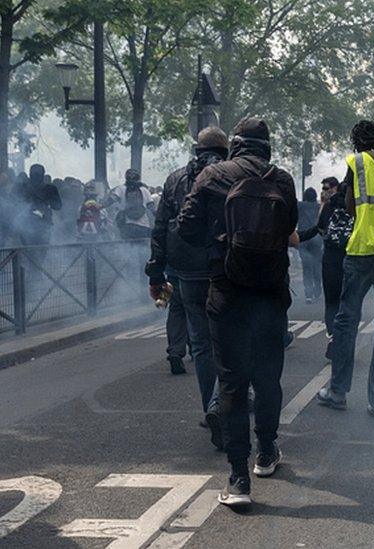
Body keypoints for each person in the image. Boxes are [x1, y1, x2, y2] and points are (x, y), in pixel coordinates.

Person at [178, 117, 298, 506]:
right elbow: (290, 228)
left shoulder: (212, 175)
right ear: (267, 147)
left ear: (235, 145)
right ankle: (266, 453)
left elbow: (187, 229)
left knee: (231, 383)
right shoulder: (282, 180)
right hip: (271, 293)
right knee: (268, 379)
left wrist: (222, 238)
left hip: (227, 292)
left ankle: (238, 479)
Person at [314, 120, 374, 422]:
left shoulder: (357, 162)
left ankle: (338, 392)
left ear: (358, 143)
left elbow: (350, 205)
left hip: (364, 251)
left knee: (346, 322)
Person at [147, 127, 229, 449]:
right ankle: (219, 403)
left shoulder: (175, 179)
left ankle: (210, 403)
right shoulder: (230, 173)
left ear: (197, 148)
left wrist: (156, 271)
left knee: (202, 344)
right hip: (223, 267)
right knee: (231, 338)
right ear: (225, 149)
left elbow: (160, 227)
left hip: (187, 271)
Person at [298, 177, 352, 334]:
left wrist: (298, 237)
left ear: (335, 189)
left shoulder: (328, 207)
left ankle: (333, 336)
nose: (324, 192)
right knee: (348, 302)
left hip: (331, 259)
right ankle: (346, 338)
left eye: (326, 188)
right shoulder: (356, 207)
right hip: (351, 258)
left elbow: (320, 229)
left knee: (332, 302)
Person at [14, 164, 62, 246]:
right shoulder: (50, 188)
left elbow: (57, 206)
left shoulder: (49, 188)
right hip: (31, 224)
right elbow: (57, 206)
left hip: (40, 224)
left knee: (29, 251)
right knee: (38, 251)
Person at [109, 169, 154, 240]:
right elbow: (151, 207)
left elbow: (111, 200)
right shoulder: (145, 190)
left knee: (127, 247)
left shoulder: (121, 189)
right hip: (144, 226)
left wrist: (100, 206)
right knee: (144, 248)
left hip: (127, 227)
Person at [297, 187, 323, 304]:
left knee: (306, 267)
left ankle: (308, 294)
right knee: (317, 265)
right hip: (316, 238)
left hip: (303, 238)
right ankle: (318, 291)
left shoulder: (299, 206)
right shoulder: (318, 207)